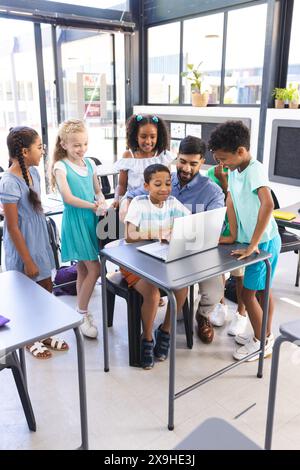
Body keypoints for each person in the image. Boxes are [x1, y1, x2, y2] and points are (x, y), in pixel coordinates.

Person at [123, 135, 225, 344]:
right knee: (167, 288)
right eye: (183, 162)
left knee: (215, 290)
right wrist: (126, 208)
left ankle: (202, 315)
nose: (186, 168)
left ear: (202, 162)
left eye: (193, 164)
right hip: (157, 249)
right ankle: (155, 333)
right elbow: (133, 194)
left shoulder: (211, 191)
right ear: (177, 158)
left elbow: (215, 226)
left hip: (193, 249)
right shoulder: (165, 179)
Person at [209, 120, 281, 361]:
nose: (221, 164)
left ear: (240, 151)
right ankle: (264, 335)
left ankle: (263, 341)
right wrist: (231, 234)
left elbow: (268, 204)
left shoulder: (255, 169)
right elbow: (231, 199)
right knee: (262, 292)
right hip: (254, 242)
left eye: (223, 159)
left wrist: (252, 245)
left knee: (250, 296)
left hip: (264, 243)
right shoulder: (234, 169)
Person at [0, 126, 68, 359]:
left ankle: (44, 332)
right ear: (24, 151)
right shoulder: (8, 182)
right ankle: (30, 339)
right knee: (26, 295)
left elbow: (35, 210)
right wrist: (27, 259)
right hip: (22, 246)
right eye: (39, 147)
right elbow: (12, 226)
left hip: (39, 240)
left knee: (46, 287)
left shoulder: (34, 173)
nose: (43, 151)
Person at [123, 163, 188, 369]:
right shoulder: (138, 203)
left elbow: (191, 222)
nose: (164, 188)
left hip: (161, 259)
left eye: (168, 183)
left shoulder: (173, 203)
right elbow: (130, 235)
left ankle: (166, 331)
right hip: (135, 261)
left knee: (182, 286)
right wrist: (157, 235)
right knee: (152, 295)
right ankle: (147, 339)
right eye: (157, 184)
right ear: (146, 185)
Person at [52, 119, 106, 339]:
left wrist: (101, 201)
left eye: (84, 144)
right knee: (95, 268)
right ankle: (81, 313)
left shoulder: (90, 164)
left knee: (84, 269)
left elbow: (97, 190)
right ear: (64, 144)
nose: (81, 149)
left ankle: (80, 311)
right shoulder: (60, 166)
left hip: (92, 219)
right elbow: (68, 198)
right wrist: (93, 206)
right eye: (76, 145)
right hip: (76, 221)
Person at [207, 163, 248, 337]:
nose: (221, 160)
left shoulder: (241, 174)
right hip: (219, 232)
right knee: (218, 273)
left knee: (239, 276)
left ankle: (241, 314)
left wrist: (225, 182)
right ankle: (221, 306)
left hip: (238, 235)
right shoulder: (210, 173)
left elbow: (238, 201)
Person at [113, 114, 174, 207]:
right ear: (136, 136)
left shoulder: (163, 156)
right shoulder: (129, 156)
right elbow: (121, 185)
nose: (148, 141)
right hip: (132, 204)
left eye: (152, 137)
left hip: (156, 204)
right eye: (143, 136)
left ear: (158, 137)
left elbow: (168, 184)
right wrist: (117, 200)